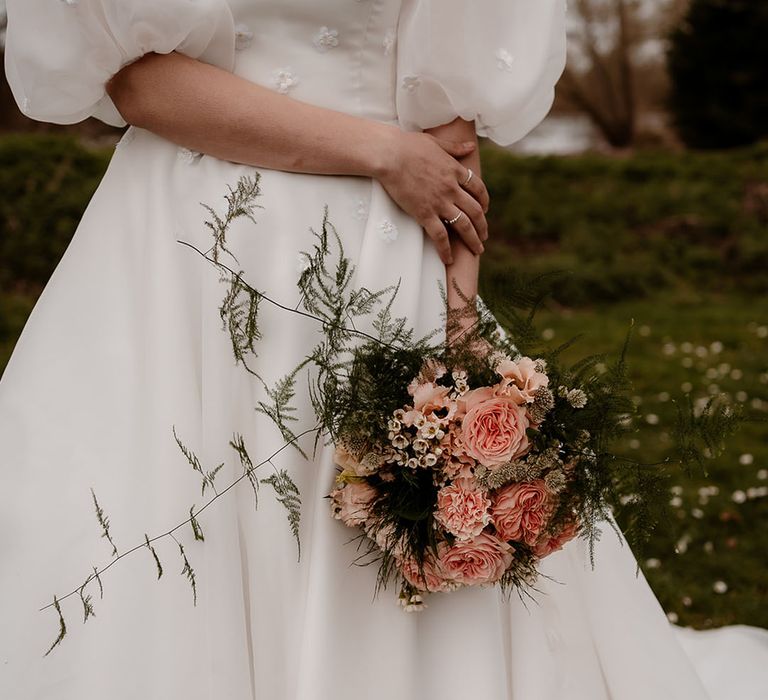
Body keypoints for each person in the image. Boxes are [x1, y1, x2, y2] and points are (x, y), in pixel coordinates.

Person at [1, 1, 766, 698]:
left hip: (380, 257)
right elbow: (142, 87)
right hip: (185, 251)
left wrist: (461, 338)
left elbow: (452, 128)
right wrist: (384, 153)